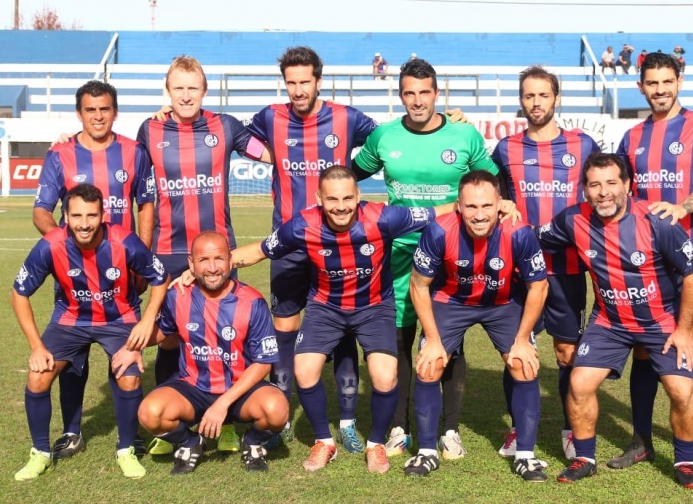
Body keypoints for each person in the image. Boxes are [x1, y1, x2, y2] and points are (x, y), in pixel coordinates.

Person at [205, 166, 478, 473]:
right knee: (304, 370)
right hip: (325, 309)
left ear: (358, 196)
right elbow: (258, 251)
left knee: (385, 376)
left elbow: (433, 212)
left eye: (348, 198)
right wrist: (207, 269)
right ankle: (324, 441)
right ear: (319, 198)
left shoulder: (381, 217)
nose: (341, 206)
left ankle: (376, 445)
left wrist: (478, 205)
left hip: (374, 307)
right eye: (332, 199)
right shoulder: (302, 226)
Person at [352, 58, 501, 460]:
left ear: (437, 94)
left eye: (425, 92)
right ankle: (399, 425)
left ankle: (449, 429)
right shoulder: (383, 137)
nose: (417, 101)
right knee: (399, 339)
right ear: (401, 95)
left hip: (453, 254)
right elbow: (350, 175)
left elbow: (492, 181)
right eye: (409, 93)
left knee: (448, 340)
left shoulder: (464, 135)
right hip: (397, 258)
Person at [537, 153, 693, 489]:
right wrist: (507, 215)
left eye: (611, 183)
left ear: (627, 185)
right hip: (609, 322)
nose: (603, 192)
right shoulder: (573, 220)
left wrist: (685, 329)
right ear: (584, 189)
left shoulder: (657, 221)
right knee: (579, 383)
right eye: (595, 184)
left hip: (660, 322)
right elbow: (533, 237)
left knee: (682, 389)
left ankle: (685, 460)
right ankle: (585, 458)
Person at [245, 46, 379, 452]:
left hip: (336, 244)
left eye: (305, 82)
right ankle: (282, 414)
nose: (299, 90)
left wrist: (350, 177)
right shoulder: (270, 117)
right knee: (284, 326)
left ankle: (348, 422)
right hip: (287, 243)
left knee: (341, 332)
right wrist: (271, 156)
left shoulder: (346, 117)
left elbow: (386, 143)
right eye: (292, 82)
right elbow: (237, 136)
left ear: (319, 81)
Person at [136, 55, 269, 454]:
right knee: (171, 339)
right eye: (179, 87)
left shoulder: (224, 126)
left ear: (205, 90)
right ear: (168, 90)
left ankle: (226, 422)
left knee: (224, 337)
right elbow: (122, 158)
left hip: (216, 252)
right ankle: (174, 420)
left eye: (193, 87)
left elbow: (270, 154)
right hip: (168, 251)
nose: (186, 95)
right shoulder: (150, 128)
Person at [610, 51, 693, 477]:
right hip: (646, 262)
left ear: (678, 80)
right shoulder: (631, 138)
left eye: (667, 81)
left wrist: (683, 207)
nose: (660, 90)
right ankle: (641, 440)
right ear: (640, 86)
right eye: (652, 83)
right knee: (644, 351)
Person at [32, 80, 156, 460]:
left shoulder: (135, 152)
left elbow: (146, 205)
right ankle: (72, 432)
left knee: (125, 354)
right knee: (72, 355)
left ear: (114, 111)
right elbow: (41, 210)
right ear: (79, 113)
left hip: (122, 273)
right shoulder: (60, 155)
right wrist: (63, 246)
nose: (98, 116)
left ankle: (129, 436)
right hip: (73, 278)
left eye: (104, 109)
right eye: (90, 109)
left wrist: (142, 257)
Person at [11, 183, 169, 481]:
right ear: (65, 217)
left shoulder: (125, 241)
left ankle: (126, 450)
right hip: (70, 321)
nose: (85, 224)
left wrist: (147, 321)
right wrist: (36, 346)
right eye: (77, 216)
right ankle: (41, 453)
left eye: (92, 215)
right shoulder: (50, 245)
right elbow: (19, 294)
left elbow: (160, 278)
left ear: (103, 215)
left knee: (129, 373)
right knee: (38, 375)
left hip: (119, 318)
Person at [406, 171, 549, 480]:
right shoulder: (438, 231)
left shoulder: (520, 232)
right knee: (429, 364)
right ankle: (427, 452)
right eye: (471, 207)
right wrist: (431, 339)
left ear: (500, 204)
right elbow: (418, 286)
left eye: (487, 206)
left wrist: (523, 339)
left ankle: (525, 455)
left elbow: (539, 287)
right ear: (459, 206)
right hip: (451, 301)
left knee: (523, 364)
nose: (480, 215)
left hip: (503, 303)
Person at [491, 65, 600, 461]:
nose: (535, 103)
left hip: (569, 269)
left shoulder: (583, 145)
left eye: (543, 95)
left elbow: (603, 191)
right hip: (520, 270)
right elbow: (489, 189)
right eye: (528, 96)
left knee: (567, 354)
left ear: (556, 98)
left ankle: (572, 430)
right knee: (516, 350)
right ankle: (519, 429)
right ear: (521, 100)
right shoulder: (506, 149)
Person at [117, 231, 289, 476]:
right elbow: (161, 331)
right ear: (191, 264)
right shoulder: (178, 296)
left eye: (219, 259)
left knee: (277, 409)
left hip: (239, 391)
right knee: (150, 413)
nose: (212, 268)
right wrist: (132, 348)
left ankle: (251, 443)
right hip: (193, 388)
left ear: (230, 261)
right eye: (203, 260)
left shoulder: (252, 302)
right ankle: (190, 442)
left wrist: (222, 404)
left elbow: (263, 365)